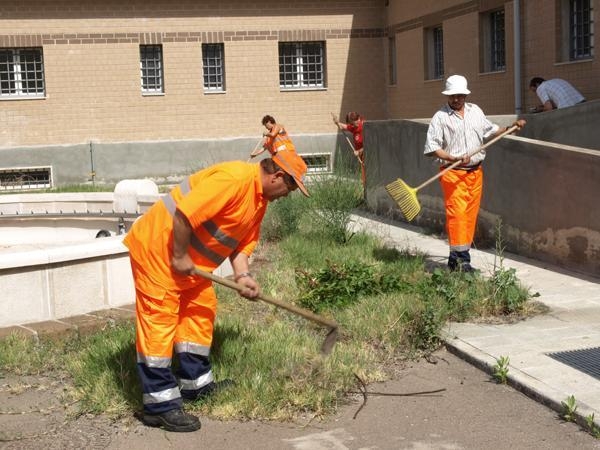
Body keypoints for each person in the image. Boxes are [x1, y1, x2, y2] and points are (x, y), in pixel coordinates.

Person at [123, 151, 309, 433]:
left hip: (191, 265)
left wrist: (243, 275)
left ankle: (195, 384)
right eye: (291, 187)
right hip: (159, 252)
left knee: (200, 312)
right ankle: (159, 406)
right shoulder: (233, 180)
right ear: (277, 176)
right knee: (160, 322)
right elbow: (185, 215)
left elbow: (240, 244)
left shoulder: (259, 199)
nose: (288, 194)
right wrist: (181, 255)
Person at [424, 74, 526, 272]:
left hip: (475, 173)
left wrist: (511, 128)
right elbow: (432, 148)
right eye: (452, 96)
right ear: (447, 96)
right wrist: (452, 158)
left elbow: (491, 130)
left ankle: (455, 260)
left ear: (465, 95)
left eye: (460, 95)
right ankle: (463, 261)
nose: (456, 99)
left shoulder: (475, 111)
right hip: (453, 173)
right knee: (457, 216)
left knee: (469, 216)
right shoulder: (440, 117)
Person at [332, 112, 366, 186]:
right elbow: (344, 127)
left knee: (367, 177)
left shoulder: (364, 127)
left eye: (352, 123)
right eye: (351, 124)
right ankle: (365, 192)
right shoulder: (355, 127)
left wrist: (359, 151)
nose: (351, 125)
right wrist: (337, 122)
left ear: (357, 119)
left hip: (368, 157)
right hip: (361, 156)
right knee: (364, 178)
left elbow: (370, 144)